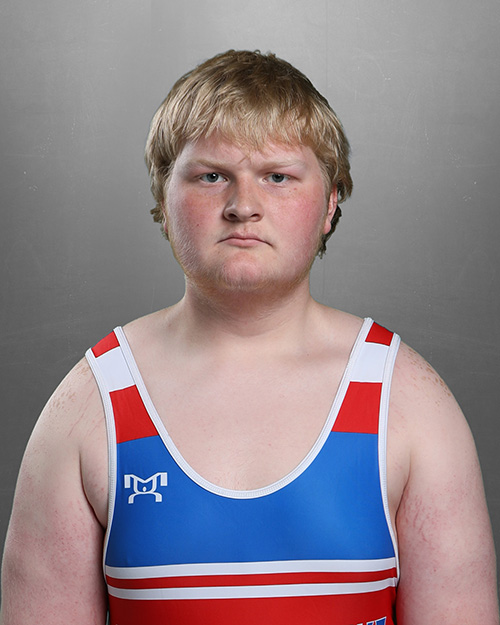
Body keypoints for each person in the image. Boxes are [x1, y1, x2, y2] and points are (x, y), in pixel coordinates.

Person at [0, 50, 498, 625]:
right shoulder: (89, 406)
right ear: (163, 197)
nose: (243, 207)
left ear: (330, 203)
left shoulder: (408, 401)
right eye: (212, 176)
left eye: (277, 177)